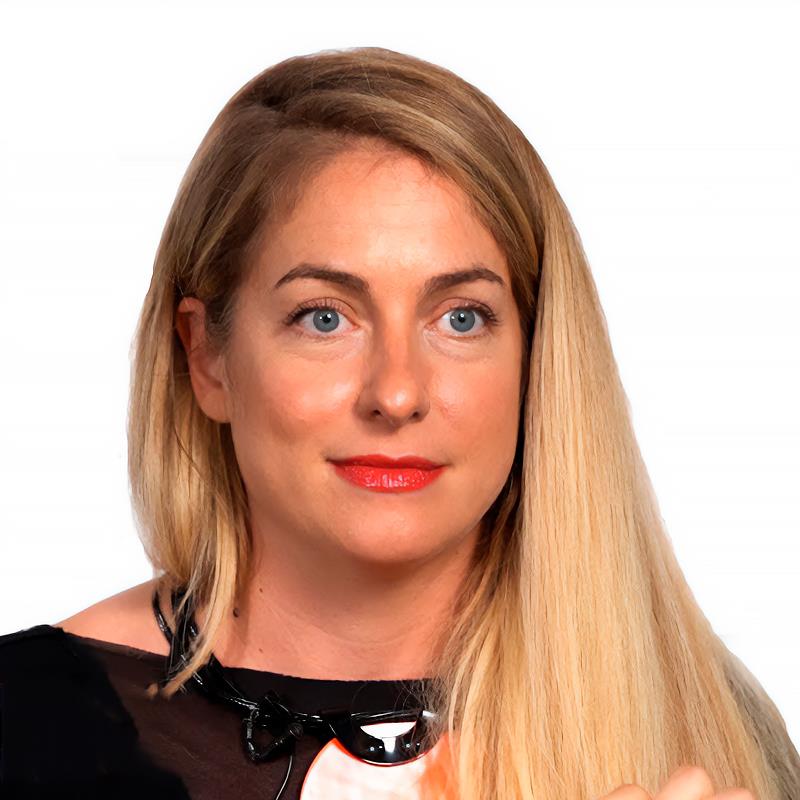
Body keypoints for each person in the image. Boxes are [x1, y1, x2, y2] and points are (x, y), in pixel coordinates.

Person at [0, 46, 797, 800]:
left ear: (539, 359)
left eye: (461, 318)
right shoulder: (23, 724)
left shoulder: (710, 726)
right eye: (324, 317)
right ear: (206, 357)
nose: (397, 393)